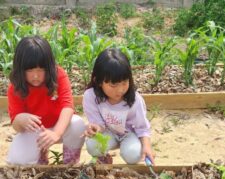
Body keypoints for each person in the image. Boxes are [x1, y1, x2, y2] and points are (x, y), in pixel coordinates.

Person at [7, 35, 85, 165]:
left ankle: (70, 162)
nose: (36, 75)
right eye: (30, 70)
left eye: (41, 70)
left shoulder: (59, 75)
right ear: (20, 69)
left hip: (61, 126)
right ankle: (41, 156)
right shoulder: (15, 87)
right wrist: (20, 119)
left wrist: (55, 133)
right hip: (35, 131)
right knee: (17, 161)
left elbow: (67, 107)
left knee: (78, 124)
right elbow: (16, 125)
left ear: (48, 67)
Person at [83, 48, 155, 165]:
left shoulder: (135, 100)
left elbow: (142, 128)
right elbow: (98, 124)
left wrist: (147, 147)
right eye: (113, 85)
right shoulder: (91, 96)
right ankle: (104, 159)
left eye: (124, 83)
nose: (120, 90)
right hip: (107, 133)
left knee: (133, 155)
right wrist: (95, 128)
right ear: (99, 81)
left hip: (129, 134)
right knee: (92, 146)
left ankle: (130, 149)